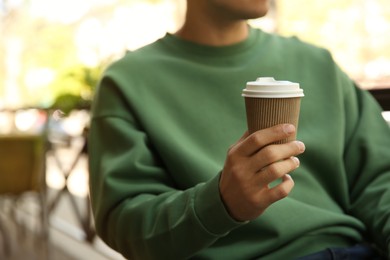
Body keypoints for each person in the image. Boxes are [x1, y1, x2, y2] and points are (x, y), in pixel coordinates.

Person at [88, 0, 390, 259]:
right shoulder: (127, 83)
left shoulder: (318, 63)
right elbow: (124, 222)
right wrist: (218, 203)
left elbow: (381, 179)